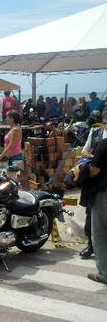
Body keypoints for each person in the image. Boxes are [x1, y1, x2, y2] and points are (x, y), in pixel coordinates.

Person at [79, 105, 107, 258]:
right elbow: (84, 150)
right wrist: (90, 155)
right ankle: (91, 246)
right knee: (91, 215)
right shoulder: (95, 132)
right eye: (105, 110)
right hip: (95, 182)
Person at [86, 137, 107, 284]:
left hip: (103, 194)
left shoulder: (104, 144)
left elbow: (94, 170)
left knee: (99, 234)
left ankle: (104, 274)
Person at [0, 110, 24, 179]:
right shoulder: (13, 128)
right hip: (12, 157)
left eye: (7, 117)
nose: (5, 119)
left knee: (10, 180)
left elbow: (11, 146)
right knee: (9, 180)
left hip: (15, 157)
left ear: (12, 119)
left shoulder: (15, 129)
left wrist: (0, 157)